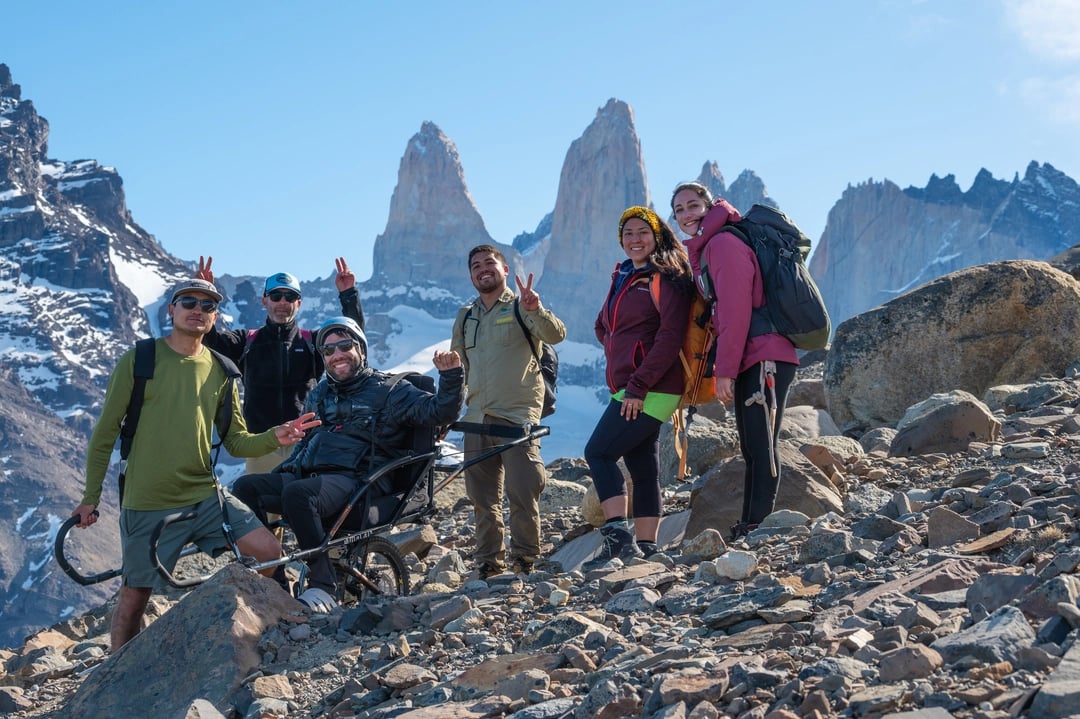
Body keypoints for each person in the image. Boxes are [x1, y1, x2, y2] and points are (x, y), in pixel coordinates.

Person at [71, 278, 321, 651]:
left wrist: (276, 436)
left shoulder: (221, 368)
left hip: (205, 496)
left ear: (215, 316)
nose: (197, 310)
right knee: (134, 598)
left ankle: (245, 628)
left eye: (207, 306)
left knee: (270, 552)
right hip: (148, 501)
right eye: (188, 302)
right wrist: (91, 496)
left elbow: (236, 441)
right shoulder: (140, 359)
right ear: (171, 310)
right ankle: (119, 675)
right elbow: (105, 432)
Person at [232, 316, 464, 611]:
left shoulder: (390, 390)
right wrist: (287, 470)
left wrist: (452, 376)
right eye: (328, 351)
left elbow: (440, 412)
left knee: (298, 495)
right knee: (245, 488)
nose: (336, 354)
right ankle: (275, 580)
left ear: (361, 350)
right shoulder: (319, 394)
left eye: (344, 345)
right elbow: (307, 443)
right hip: (315, 476)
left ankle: (323, 585)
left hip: (360, 481)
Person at [671, 182, 799, 539]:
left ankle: (759, 525)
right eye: (679, 209)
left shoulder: (723, 244)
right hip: (755, 354)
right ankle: (749, 523)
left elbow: (735, 311)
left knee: (761, 443)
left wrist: (723, 372)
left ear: (710, 206)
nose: (686, 214)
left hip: (764, 355)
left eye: (693, 205)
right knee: (752, 443)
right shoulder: (712, 244)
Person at [583, 207, 693, 570]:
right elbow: (602, 324)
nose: (635, 239)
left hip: (652, 387)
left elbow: (669, 337)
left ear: (657, 235)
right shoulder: (625, 274)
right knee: (642, 464)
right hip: (631, 385)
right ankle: (646, 546)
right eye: (628, 232)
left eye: (642, 232)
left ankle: (618, 540)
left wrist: (638, 384)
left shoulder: (668, 276)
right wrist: (619, 346)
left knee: (598, 452)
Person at [450, 245, 566, 578]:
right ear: (471, 275)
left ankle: (525, 561)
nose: (482, 269)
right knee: (481, 499)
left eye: (490, 263)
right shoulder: (465, 316)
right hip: (476, 419)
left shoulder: (521, 305)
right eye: (475, 266)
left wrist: (536, 308)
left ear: (504, 270)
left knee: (523, 489)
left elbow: (555, 334)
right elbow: (460, 367)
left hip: (517, 417)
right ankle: (489, 563)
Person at [195, 256, 365, 474]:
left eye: (290, 296)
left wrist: (348, 294)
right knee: (262, 505)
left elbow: (351, 339)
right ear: (264, 301)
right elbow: (210, 341)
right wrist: (204, 292)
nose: (283, 302)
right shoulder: (247, 341)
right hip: (262, 444)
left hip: (306, 443)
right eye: (276, 296)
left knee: (303, 505)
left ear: (299, 303)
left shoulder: (312, 342)